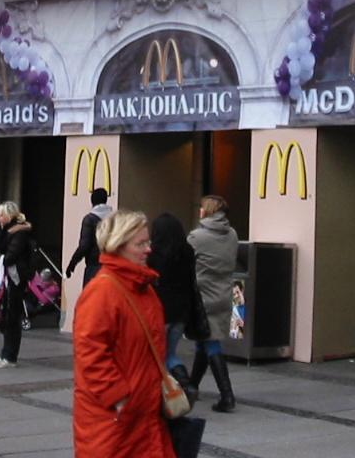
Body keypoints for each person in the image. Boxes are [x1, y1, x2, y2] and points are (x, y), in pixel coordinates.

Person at [72, 209, 175, 457]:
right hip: (115, 419)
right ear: (118, 246)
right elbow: (90, 353)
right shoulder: (103, 290)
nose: (148, 249)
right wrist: (119, 397)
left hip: (143, 414)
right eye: (140, 244)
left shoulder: (142, 287)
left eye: (148, 242)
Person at [187, 194, 238, 413]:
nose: (199, 210)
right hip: (224, 293)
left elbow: (186, 263)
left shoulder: (196, 237)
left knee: (210, 343)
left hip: (203, 295)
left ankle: (227, 395)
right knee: (205, 339)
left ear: (207, 210)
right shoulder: (232, 234)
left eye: (201, 207)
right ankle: (192, 386)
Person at [148, 212, 198, 400]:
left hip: (160, 309)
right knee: (171, 354)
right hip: (182, 310)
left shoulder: (154, 254)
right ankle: (186, 384)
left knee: (156, 354)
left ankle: (161, 393)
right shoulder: (187, 251)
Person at [0, 201, 33, 369]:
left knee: (11, 318)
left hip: (15, 278)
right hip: (11, 278)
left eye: (1, 215)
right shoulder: (8, 231)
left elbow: (9, 257)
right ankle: (7, 355)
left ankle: (9, 356)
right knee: (6, 316)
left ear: (9, 215)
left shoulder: (18, 232)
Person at [65, 187, 112, 286]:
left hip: (94, 268)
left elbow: (84, 246)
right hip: (111, 269)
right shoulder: (114, 219)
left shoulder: (89, 219)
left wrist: (72, 264)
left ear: (92, 202)